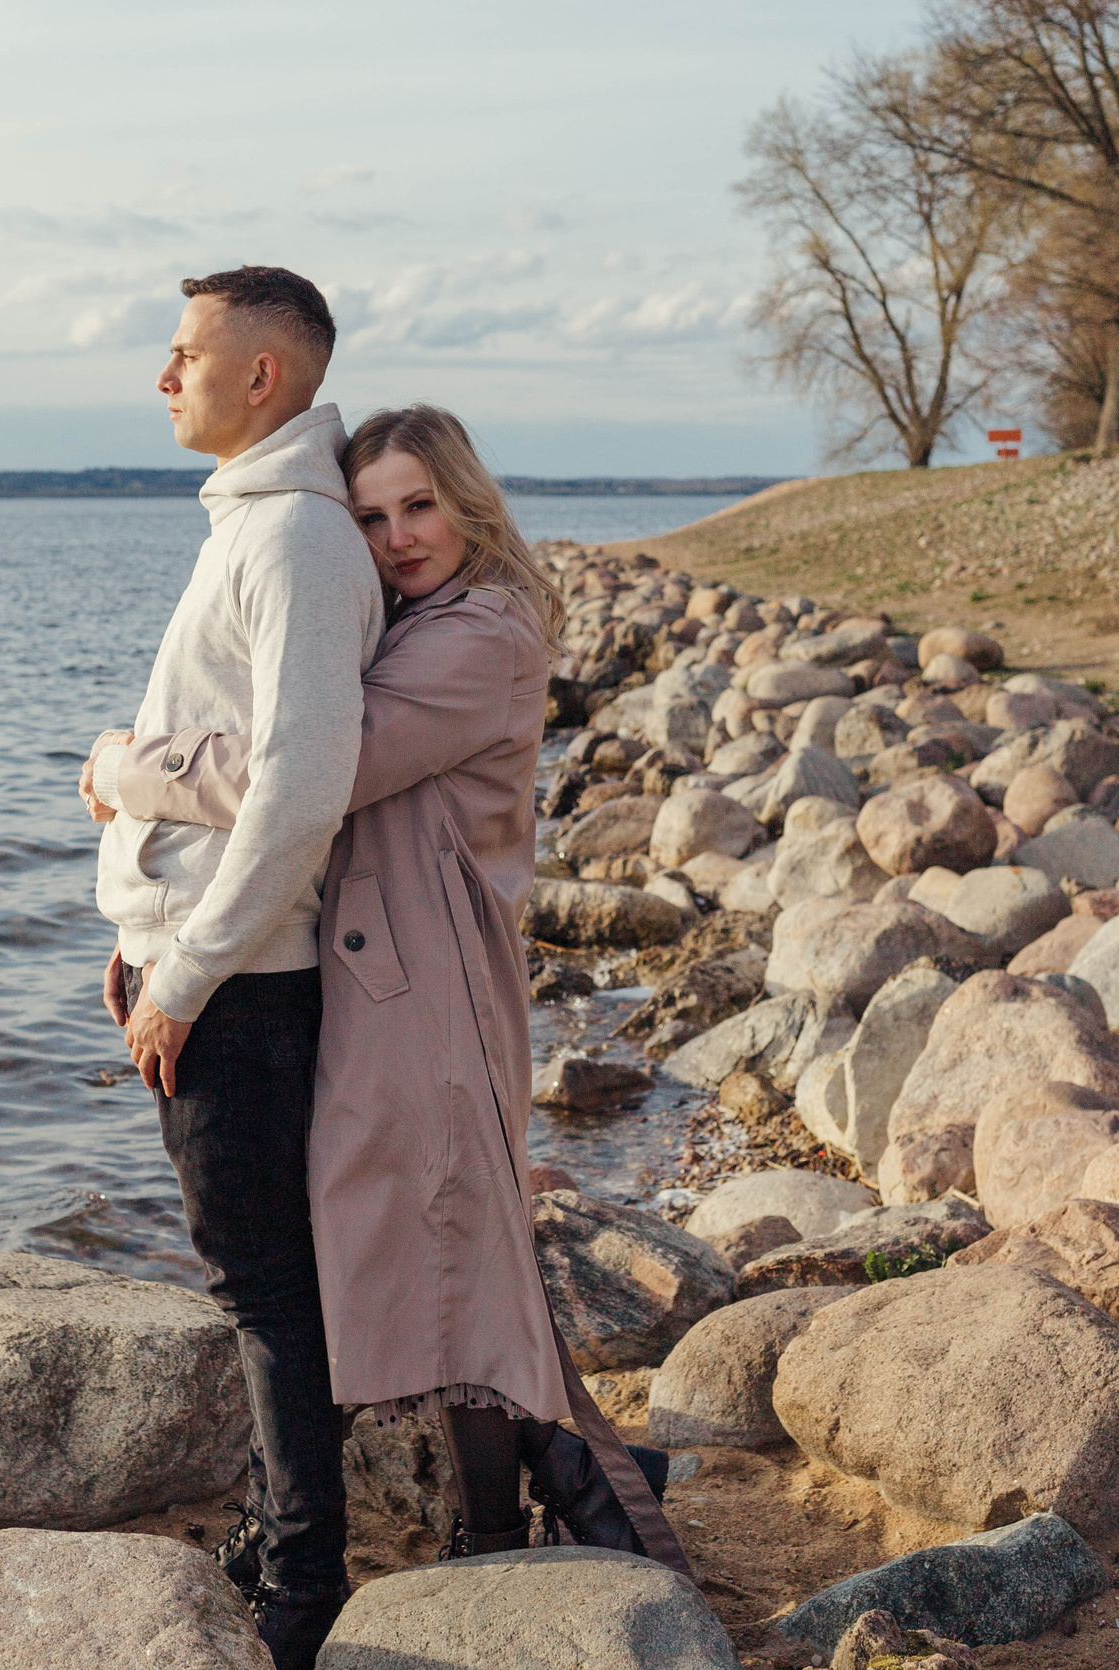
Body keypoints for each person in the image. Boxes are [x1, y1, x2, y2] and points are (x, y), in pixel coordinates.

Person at [83, 406, 687, 1619]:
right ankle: (513, 1505)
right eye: (370, 515)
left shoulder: (480, 635)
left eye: (420, 505)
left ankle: (521, 1513)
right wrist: (162, 927)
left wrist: (126, 767)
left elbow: (309, 771)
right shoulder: (412, 621)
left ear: (468, 503)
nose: (398, 535)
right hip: (389, 969)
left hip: (430, 984)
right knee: (435, 1243)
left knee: (448, 1247)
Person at [83, 264, 382, 1669]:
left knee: (263, 1285)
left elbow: (298, 790)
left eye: (185, 354)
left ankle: (301, 1584)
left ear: (263, 375)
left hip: (247, 980)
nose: (163, 377)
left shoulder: (296, 540)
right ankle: (281, 1533)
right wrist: (140, 939)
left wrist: (188, 970)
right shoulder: (256, 522)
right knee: (259, 1272)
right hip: (212, 960)